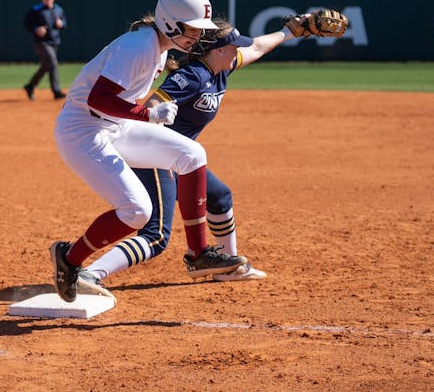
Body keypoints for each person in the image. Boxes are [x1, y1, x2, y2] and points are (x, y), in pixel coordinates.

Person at [79, 17, 307, 292]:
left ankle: (227, 267)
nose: (238, 51)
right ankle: (90, 274)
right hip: (155, 155)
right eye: (233, 46)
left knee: (220, 196)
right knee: (155, 235)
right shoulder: (190, 77)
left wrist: (289, 32)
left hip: (185, 160)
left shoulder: (222, 67)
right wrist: (160, 135)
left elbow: (257, 47)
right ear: (217, 50)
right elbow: (152, 104)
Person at [49, 0, 245, 303]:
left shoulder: (159, 47)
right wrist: (149, 114)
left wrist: (143, 116)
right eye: (192, 28)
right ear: (171, 23)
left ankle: (198, 255)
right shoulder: (139, 46)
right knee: (138, 211)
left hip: (113, 126)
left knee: (191, 153)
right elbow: (97, 99)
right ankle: (69, 259)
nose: (197, 36)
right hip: (82, 130)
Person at [23, 0, 67, 100]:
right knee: (53, 63)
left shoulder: (59, 9)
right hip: (41, 43)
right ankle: (56, 91)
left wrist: (61, 24)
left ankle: (30, 86)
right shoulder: (36, 10)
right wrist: (36, 28)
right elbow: (26, 23)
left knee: (46, 66)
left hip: (54, 42)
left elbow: (64, 23)